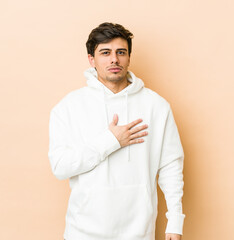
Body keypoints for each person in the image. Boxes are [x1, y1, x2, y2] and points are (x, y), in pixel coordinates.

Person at [48, 22, 185, 240]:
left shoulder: (156, 106)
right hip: (82, 233)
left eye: (121, 52)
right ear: (91, 59)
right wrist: (110, 140)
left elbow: (171, 166)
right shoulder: (68, 107)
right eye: (105, 53)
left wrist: (175, 221)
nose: (114, 59)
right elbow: (60, 167)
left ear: (129, 57)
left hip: (139, 232)